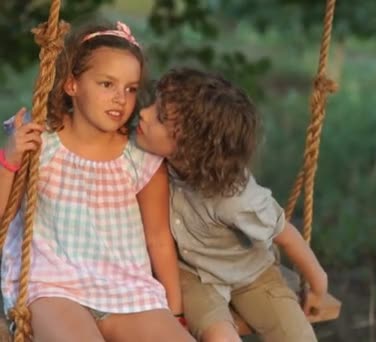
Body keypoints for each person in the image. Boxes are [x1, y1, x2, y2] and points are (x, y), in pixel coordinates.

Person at [0, 22, 193, 341]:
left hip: (128, 290)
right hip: (54, 287)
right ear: (71, 84)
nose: (121, 99)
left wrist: (175, 312)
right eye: (107, 84)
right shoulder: (41, 144)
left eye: (130, 89)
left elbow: (158, 238)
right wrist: (9, 161)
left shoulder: (139, 157)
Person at [135, 68, 328, 342]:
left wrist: (318, 285)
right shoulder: (150, 162)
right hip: (193, 274)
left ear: (192, 146)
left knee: (297, 337)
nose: (144, 113)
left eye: (160, 118)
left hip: (252, 274)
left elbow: (285, 235)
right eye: (154, 105)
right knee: (221, 338)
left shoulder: (235, 198)